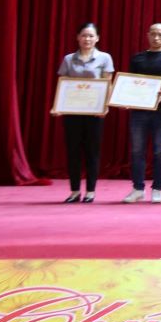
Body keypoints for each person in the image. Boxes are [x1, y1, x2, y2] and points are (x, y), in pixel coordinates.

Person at [124, 23, 161, 204]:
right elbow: (130, 83)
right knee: (137, 150)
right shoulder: (138, 58)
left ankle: (157, 188)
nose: (156, 38)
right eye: (153, 34)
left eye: (160, 35)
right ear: (147, 35)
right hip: (138, 111)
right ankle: (137, 188)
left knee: (160, 150)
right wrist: (125, 100)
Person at [56, 22, 115, 203]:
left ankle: (90, 191)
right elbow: (63, 84)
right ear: (77, 38)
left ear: (97, 38)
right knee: (73, 151)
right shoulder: (68, 59)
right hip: (72, 112)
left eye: (91, 36)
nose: (87, 39)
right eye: (83, 35)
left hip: (94, 113)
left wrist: (105, 106)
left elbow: (108, 84)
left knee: (92, 152)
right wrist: (58, 105)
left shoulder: (104, 58)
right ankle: (74, 191)